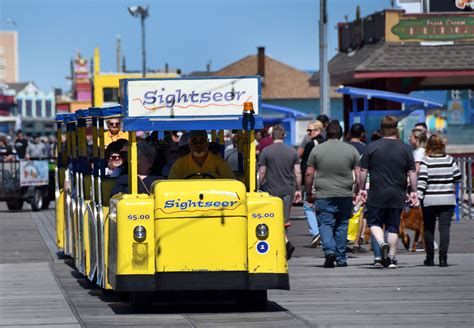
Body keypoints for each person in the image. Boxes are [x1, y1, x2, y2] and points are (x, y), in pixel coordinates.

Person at [358, 115, 418, 269]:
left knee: (374, 222)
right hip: (397, 193)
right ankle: (391, 259)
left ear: (381, 129)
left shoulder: (371, 147)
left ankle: (381, 243)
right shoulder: (405, 148)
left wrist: (361, 189)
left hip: (377, 193)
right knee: (393, 225)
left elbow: (363, 170)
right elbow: (412, 172)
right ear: (396, 128)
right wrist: (414, 191)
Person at [305, 120, 360, 268]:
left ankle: (329, 251)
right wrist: (357, 190)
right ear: (341, 134)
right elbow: (358, 173)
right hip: (345, 193)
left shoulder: (317, 150)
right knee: (342, 225)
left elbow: (309, 174)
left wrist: (309, 192)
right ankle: (341, 258)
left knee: (325, 223)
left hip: (323, 193)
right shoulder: (351, 150)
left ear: (326, 133)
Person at [258, 125, 302, 260]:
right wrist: (299, 189)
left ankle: (281, 244)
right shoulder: (292, 152)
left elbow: (262, 172)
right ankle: (284, 244)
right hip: (288, 189)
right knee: (285, 219)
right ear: (284, 136)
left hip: (272, 189)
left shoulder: (266, 151)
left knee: (273, 218)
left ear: (272, 136)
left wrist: (257, 187)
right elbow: (298, 173)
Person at [417, 135, 461, 267]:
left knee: (429, 228)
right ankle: (443, 258)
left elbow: (423, 181)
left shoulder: (426, 161)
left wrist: (418, 197)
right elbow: (458, 177)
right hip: (447, 199)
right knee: (444, 228)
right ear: (442, 146)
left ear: (428, 146)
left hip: (429, 200)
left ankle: (429, 258)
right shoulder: (450, 160)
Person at [168, 130, 235, 179]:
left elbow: (231, 183)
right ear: (189, 145)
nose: (198, 145)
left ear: (207, 143)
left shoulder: (219, 163)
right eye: (194, 142)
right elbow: (171, 185)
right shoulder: (180, 164)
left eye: (202, 141)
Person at [300, 120, 325, 248]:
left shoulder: (311, 144)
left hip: (313, 180)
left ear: (318, 130)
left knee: (308, 206)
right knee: (322, 208)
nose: (308, 132)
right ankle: (324, 233)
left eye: (310, 130)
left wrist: (304, 182)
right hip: (326, 179)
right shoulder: (326, 142)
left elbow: (306, 165)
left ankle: (316, 233)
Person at [346, 123, 368, 254]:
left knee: (343, 211)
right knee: (360, 212)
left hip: (343, 182)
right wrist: (362, 188)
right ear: (362, 134)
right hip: (359, 183)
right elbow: (362, 170)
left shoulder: (344, 147)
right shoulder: (365, 149)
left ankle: (342, 240)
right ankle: (356, 243)